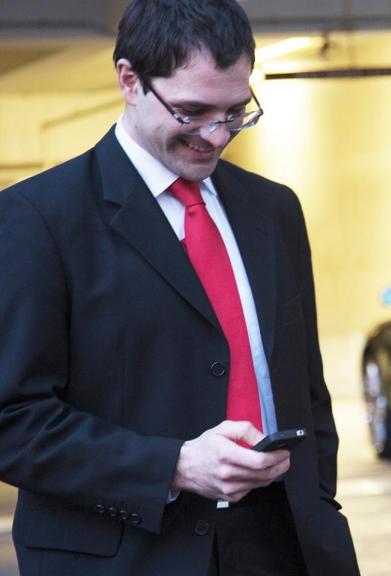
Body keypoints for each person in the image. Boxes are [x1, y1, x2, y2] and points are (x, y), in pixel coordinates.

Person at [0, 0, 360, 574]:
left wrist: (319, 507)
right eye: (192, 112)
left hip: (283, 546)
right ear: (129, 81)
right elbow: (13, 421)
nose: (215, 136)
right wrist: (173, 466)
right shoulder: (36, 219)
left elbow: (306, 392)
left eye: (235, 112)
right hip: (127, 556)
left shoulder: (274, 210)